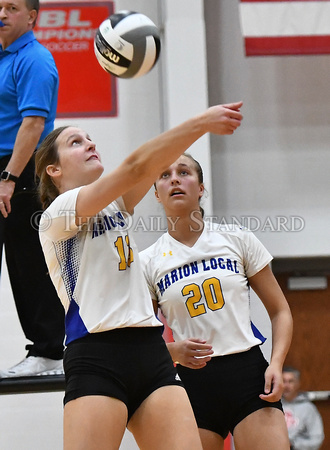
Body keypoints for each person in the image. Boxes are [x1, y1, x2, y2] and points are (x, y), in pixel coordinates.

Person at [34, 101, 243, 449]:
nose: (89, 144)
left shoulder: (116, 205)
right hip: (96, 355)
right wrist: (199, 123)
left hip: (151, 354)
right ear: (53, 170)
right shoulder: (58, 214)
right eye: (75, 142)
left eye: (89, 138)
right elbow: (134, 166)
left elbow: (153, 164)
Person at [140, 153, 294, 450]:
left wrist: (276, 362)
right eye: (164, 175)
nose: (174, 178)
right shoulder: (147, 261)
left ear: (200, 188)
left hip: (248, 375)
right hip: (190, 382)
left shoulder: (238, 238)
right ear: (156, 193)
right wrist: (172, 350)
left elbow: (280, 311)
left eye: (183, 172)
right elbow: (139, 342)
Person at [0, 0, 65, 377]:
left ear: (32, 16)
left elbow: (33, 123)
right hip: (6, 168)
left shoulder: (35, 60)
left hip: (20, 170)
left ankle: (48, 352)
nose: (2, 14)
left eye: (11, 7)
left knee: (26, 263)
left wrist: (9, 177)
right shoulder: (4, 57)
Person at [282, 366, 324, 450]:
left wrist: (293, 445)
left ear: (298, 384)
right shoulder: (272, 406)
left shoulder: (308, 408)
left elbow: (317, 438)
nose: (286, 386)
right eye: (283, 381)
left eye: (290, 381)